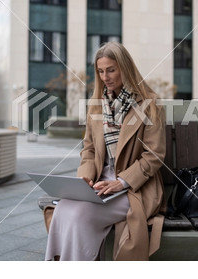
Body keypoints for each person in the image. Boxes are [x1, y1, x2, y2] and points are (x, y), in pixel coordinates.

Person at [45, 42, 166, 261]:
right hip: (100, 182)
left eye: (111, 70)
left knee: (81, 214)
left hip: (135, 188)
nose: (105, 77)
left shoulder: (150, 104)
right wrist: (85, 178)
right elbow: (89, 149)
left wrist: (121, 182)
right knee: (63, 208)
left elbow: (154, 155)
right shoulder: (96, 104)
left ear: (125, 68)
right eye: (100, 71)